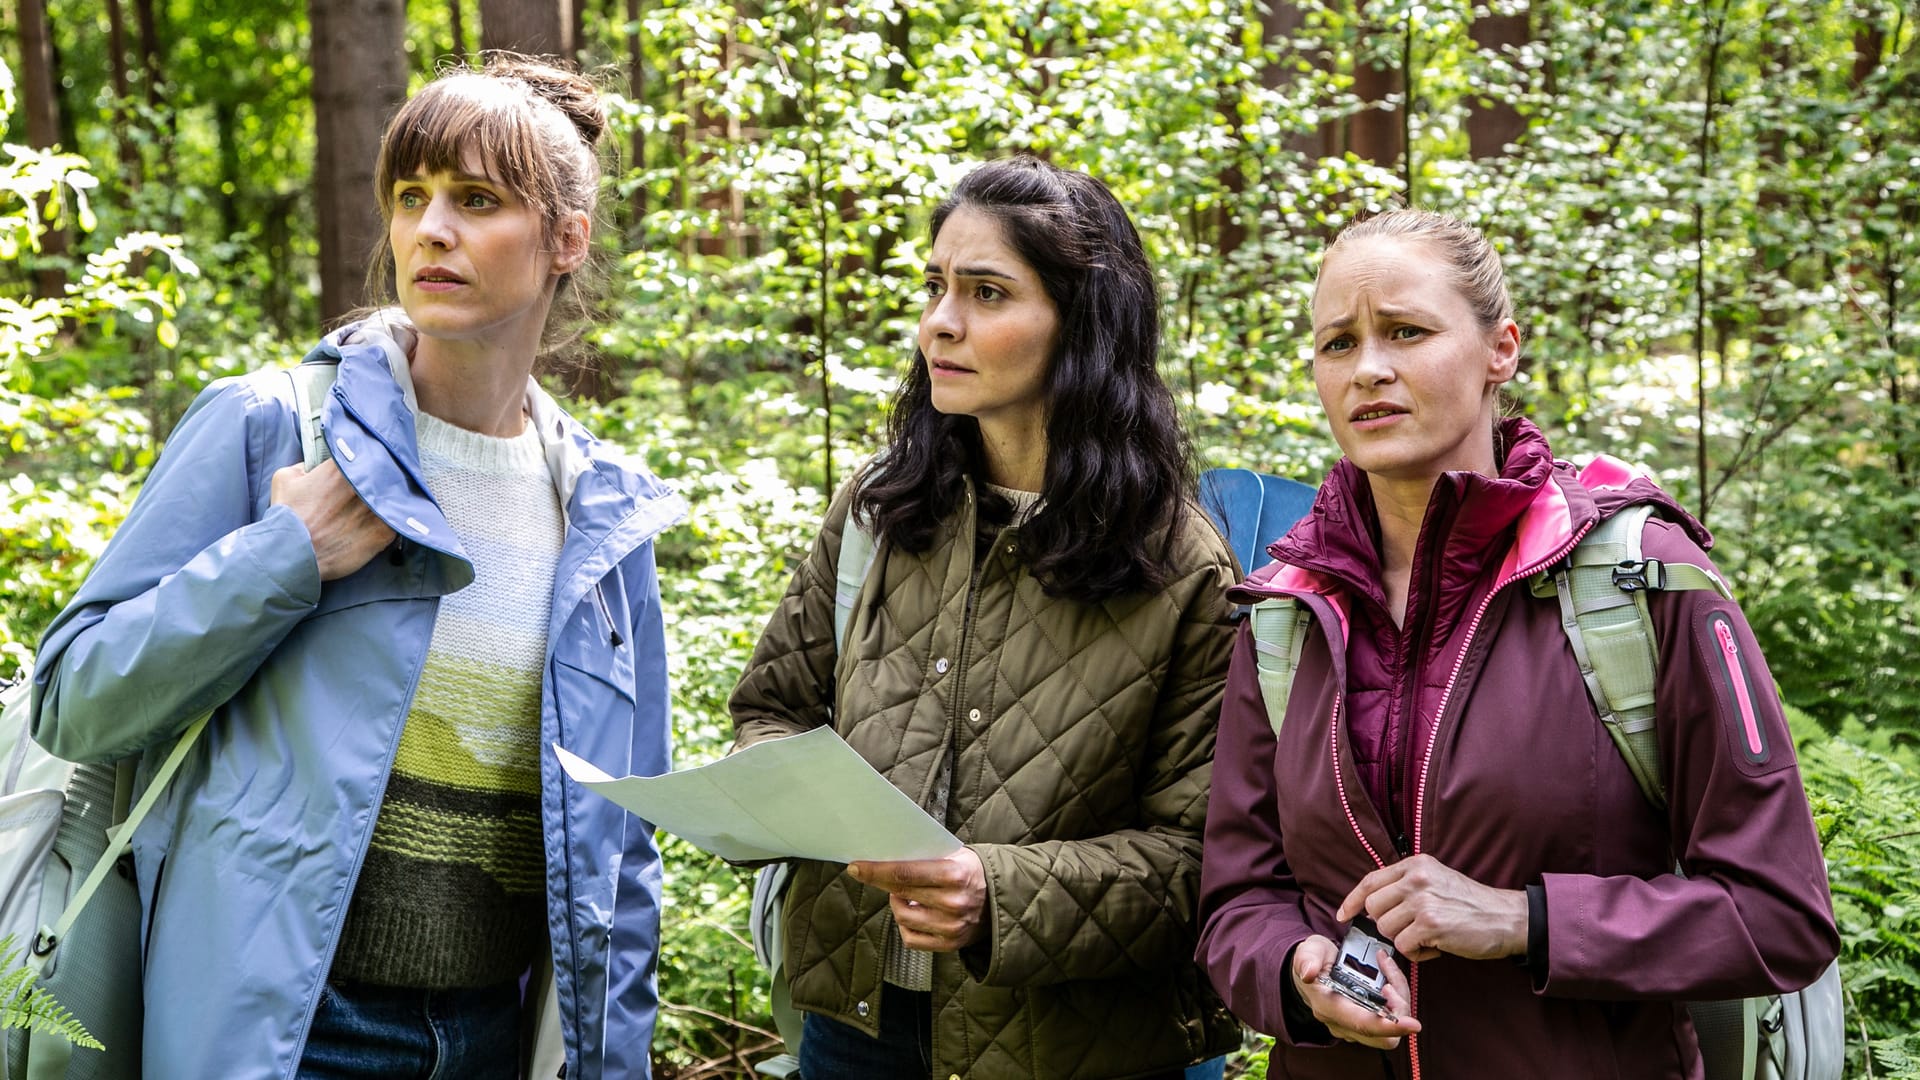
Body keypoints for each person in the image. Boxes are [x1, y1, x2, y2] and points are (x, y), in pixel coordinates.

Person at [29, 56, 683, 1080]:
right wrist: (281, 557)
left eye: (477, 200)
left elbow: (624, 852)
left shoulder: (602, 519)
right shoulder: (271, 428)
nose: (432, 228)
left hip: (495, 1042)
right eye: (411, 196)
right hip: (289, 1036)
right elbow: (74, 698)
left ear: (566, 240)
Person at [1194, 208, 1839, 1077]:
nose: (1370, 369)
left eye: (1407, 331)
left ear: (1502, 349)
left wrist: (1521, 921)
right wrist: (1293, 968)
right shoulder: (1287, 607)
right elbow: (1238, 898)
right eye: (1338, 343)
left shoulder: (1639, 579)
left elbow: (1779, 915)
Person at [728, 156, 1244, 1079]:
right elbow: (775, 704)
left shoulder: (1182, 567)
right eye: (935, 286)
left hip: (1077, 1048)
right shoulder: (881, 509)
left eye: (987, 293)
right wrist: (766, 783)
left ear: (1082, 323)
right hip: (858, 1028)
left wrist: (997, 896)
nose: (941, 324)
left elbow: (1200, 859)